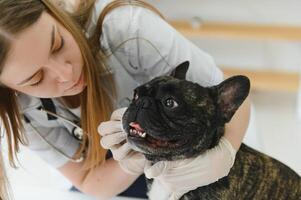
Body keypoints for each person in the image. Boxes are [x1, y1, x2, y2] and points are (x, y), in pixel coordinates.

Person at [0, 0, 250, 199]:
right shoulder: (24, 111)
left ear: (55, 12)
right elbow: (91, 183)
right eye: (36, 78)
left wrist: (224, 154)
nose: (67, 74)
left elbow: (227, 103)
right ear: (10, 89)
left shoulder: (126, 28)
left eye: (58, 44)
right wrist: (138, 156)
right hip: (115, 175)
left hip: (202, 150)